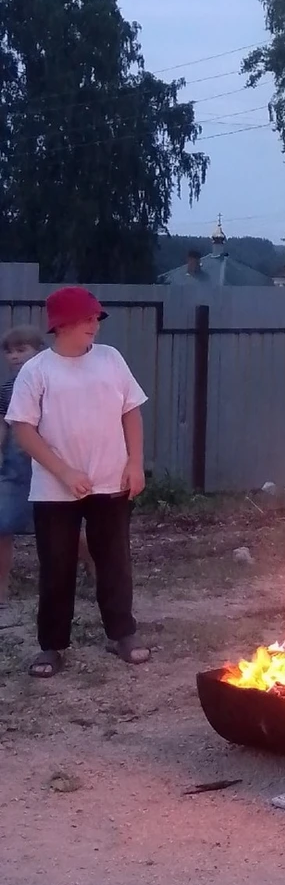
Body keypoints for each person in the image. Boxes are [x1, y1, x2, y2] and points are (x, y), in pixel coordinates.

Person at [4, 288, 149, 678]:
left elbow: (131, 412)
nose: (94, 326)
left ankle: (123, 633)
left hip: (111, 481)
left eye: (96, 319)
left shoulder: (110, 359)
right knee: (57, 566)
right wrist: (64, 471)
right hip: (55, 490)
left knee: (115, 561)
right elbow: (23, 429)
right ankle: (51, 646)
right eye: (87, 319)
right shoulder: (38, 370)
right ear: (62, 324)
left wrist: (135, 463)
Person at [0, 325, 46, 615]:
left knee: (57, 527)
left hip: (47, 464)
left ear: (38, 352)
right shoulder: (6, 387)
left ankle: (92, 565)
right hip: (14, 465)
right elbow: (3, 423)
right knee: (3, 525)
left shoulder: (49, 381)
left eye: (22, 349)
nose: (15, 356)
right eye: (9, 351)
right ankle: (1, 589)